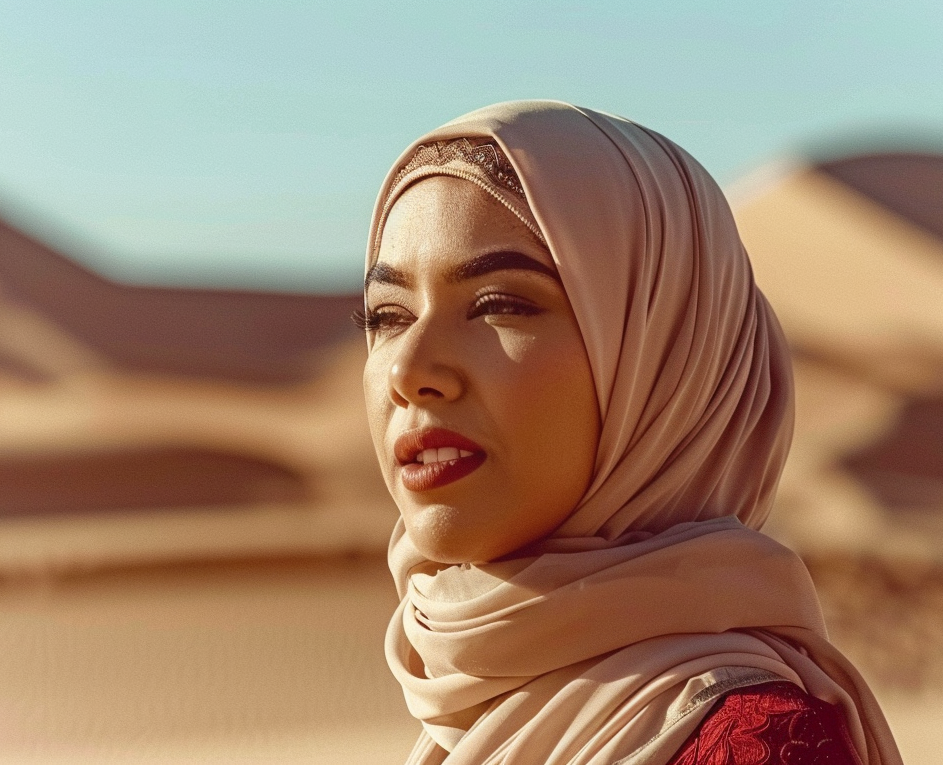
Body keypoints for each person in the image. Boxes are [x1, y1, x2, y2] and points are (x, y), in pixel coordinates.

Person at [359, 101, 901, 765]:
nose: (410, 372)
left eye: (499, 304)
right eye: (387, 315)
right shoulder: (465, 724)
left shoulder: (749, 748)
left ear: (669, 355)